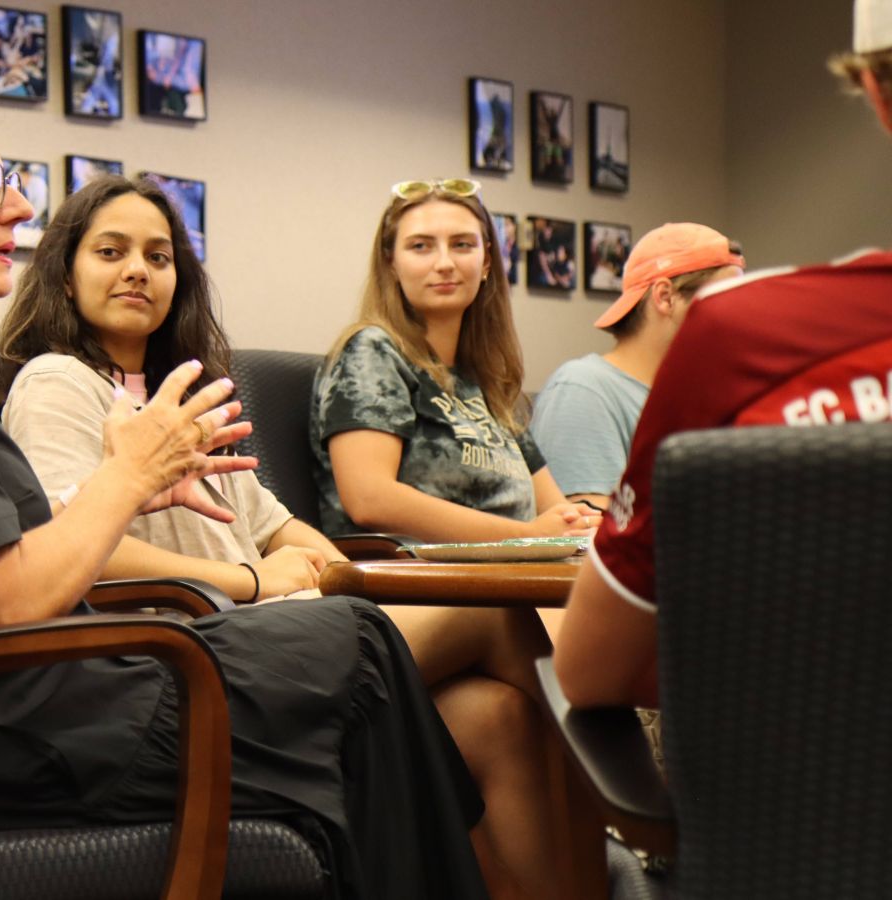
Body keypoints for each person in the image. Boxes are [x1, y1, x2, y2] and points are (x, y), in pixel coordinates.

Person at [0, 75, 492, 899]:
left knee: (375, 681)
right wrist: (127, 477)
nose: (15, 209)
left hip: (21, 709)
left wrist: (134, 487)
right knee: (359, 646)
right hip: (30, 735)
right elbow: (1, 606)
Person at [0, 174, 606, 899]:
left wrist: (322, 571)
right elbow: (76, 552)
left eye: (158, 257)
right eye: (111, 252)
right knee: (497, 613)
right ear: (64, 276)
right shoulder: (58, 382)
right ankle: (640, 806)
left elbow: (282, 528)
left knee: (496, 718)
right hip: (180, 660)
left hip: (270, 637)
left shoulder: (182, 396)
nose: (137, 270)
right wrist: (256, 582)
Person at [555, 0, 892, 710]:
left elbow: (590, 673)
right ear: (663, 297)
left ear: (874, 93)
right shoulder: (589, 389)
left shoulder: (747, 338)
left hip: (802, 789)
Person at [311, 179, 600, 545]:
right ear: (391, 264)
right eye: (421, 247)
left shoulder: (487, 378)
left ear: (486, 262)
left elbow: (553, 508)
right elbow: (370, 499)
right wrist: (527, 537)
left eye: (462, 245)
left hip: (511, 577)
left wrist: (582, 524)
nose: (445, 263)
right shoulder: (372, 351)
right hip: (410, 582)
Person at [530, 224, 745, 507]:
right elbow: (590, 541)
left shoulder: (707, 400)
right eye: (726, 299)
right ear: (665, 297)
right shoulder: (583, 390)